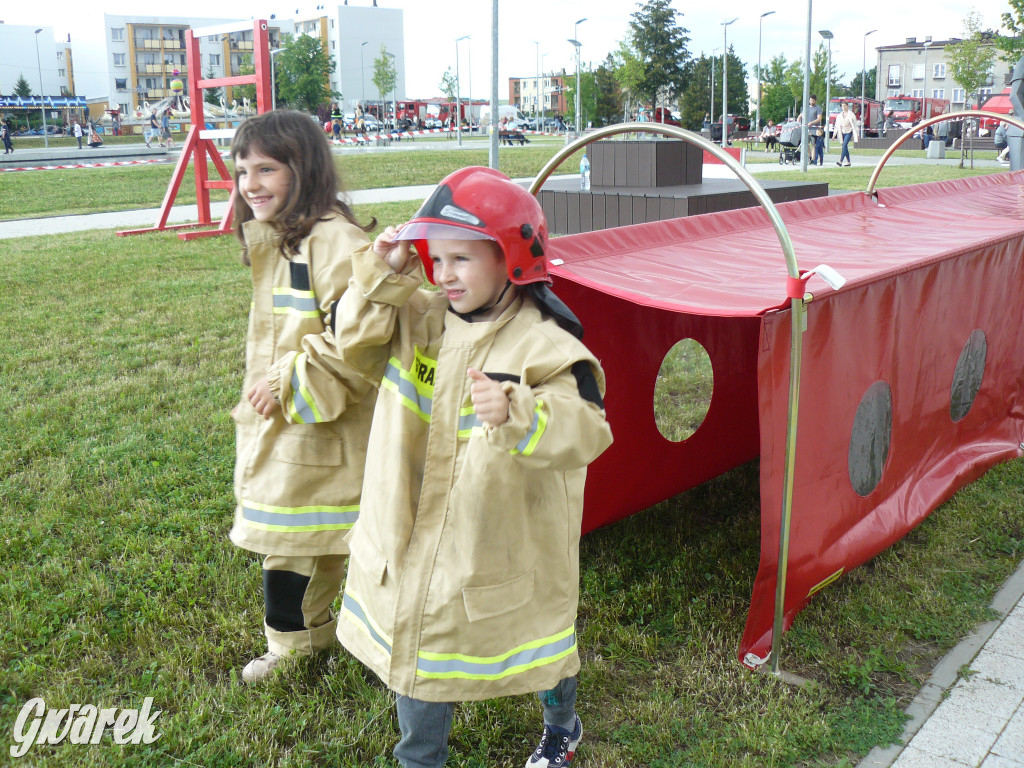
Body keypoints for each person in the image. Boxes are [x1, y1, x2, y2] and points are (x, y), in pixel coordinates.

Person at [298, 166, 613, 768]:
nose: (443, 275)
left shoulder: (544, 343)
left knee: (536, 643)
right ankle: (422, 760)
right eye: (435, 259)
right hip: (409, 526)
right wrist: (381, 272)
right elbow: (350, 341)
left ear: (511, 258)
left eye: (461, 259)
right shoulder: (417, 318)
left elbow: (589, 428)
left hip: (494, 539)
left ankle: (561, 725)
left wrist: (519, 409)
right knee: (419, 654)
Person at [227, 109, 378, 683]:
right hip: (294, 421)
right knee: (298, 541)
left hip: (325, 426)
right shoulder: (285, 239)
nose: (251, 185)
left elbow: (360, 342)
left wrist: (285, 377)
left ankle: (301, 647)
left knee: (308, 541)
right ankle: (301, 641)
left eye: (266, 169)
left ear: (305, 168)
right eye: (242, 171)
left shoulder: (335, 242)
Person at [797, 94, 823, 164]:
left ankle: (813, 159)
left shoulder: (818, 108)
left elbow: (819, 118)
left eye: (813, 100)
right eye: (811, 100)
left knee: (813, 144)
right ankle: (810, 156)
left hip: (814, 129)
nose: (812, 102)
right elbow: (800, 117)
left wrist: (811, 122)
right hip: (806, 129)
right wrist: (798, 124)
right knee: (806, 143)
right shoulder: (806, 108)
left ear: (815, 101)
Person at [833, 101, 859, 167]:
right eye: (842, 106)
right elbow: (837, 125)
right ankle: (848, 162)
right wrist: (834, 134)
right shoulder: (839, 116)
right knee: (845, 147)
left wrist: (856, 133)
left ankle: (840, 161)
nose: (843, 107)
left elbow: (855, 125)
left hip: (849, 131)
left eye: (845, 105)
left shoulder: (851, 114)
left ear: (847, 106)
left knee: (844, 145)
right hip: (842, 132)